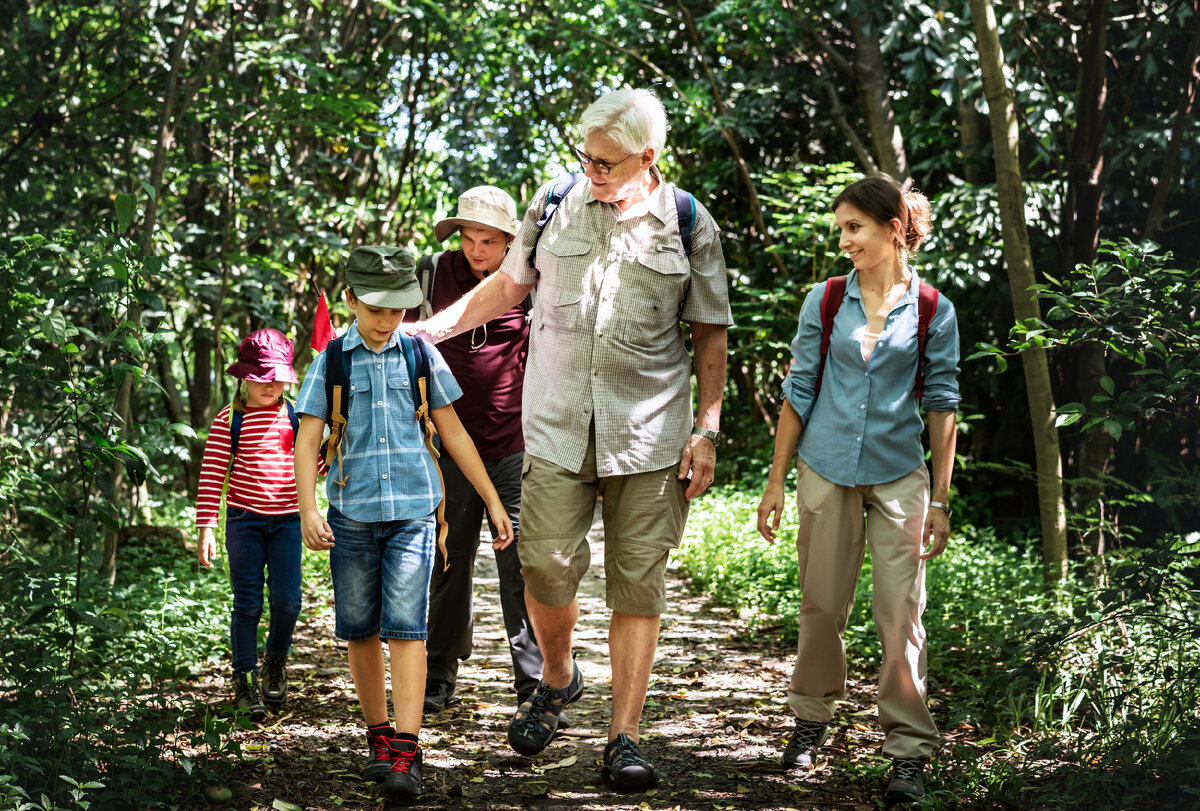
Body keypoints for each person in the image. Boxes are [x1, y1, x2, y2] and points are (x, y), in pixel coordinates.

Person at [410, 87, 732, 790]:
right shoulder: (555, 201)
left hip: (649, 436)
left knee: (636, 584)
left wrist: (707, 427)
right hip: (554, 426)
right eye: (585, 157)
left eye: (607, 163)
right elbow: (507, 288)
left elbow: (710, 330)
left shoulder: (687, 222)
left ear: (648, 159)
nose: (592, 171)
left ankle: (624, 735)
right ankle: (558, 676)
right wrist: (425, 330)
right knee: (546, 567)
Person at [756, 175, 960, 805]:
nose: (843, 240)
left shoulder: (933, 309)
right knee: (821, 603)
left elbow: (943, 404)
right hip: (825, 467)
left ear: (893, 229)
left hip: (901, 475)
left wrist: (942, 501)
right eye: (840, 228)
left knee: (901, 614)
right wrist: (775, 481)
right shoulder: (825, 300)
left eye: (854, 228)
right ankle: (811, 720)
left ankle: (906, 751)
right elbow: (798, 391)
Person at [293, 245, 514, 800]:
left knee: (407, 627)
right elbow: (308, 440)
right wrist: (307, 509)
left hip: (415, 513)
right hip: (352, 515)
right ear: (351, 301)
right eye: (376, 309)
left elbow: (455, 431)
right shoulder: (333, 361)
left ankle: (408, 751)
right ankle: (378, 736)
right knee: (360, 630)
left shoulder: (419, 355)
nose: (388, 320)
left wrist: (490, 498)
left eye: (398, 310)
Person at [409, 186, 551, 718]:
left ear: (511, 241)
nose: (476, 250)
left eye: (489, 240)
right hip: (446, 447)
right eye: (468, 238)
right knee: (450, 559)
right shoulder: (431, 276)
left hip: (515, 444)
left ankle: (533, 682)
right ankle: (441, 669)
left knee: (522, 565)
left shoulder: (529, 282)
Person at [195, 328, 305, 723]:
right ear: (244, 377)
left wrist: (333, 446)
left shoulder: (294, 415)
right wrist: (206, 526)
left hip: (288, 523)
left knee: (287, 601)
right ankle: (244, 679)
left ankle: (275, 661)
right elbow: (211, 474)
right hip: (244, 522)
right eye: (263, 378)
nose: (272, 386)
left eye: (278, 378)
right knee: (248, 603)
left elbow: (315, 465)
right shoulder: (231, 418)